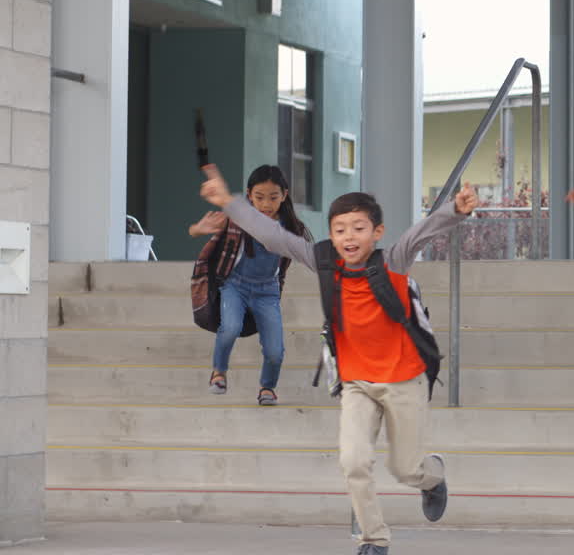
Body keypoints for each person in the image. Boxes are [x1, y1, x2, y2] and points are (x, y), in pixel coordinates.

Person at [198, 164, 477, 555]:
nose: (349, 236)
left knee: (405, 468)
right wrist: (229, 202)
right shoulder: (324, 262)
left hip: (403, 379)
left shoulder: (393, 260)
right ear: (331, 234)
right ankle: (374, 539)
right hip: (357, 382)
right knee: (353, 462)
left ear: (376, 232)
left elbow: (422, 232)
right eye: (340, 229)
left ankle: (433, 477)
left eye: (359, 228)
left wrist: (456, 209)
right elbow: (273, 236)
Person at [189, 164, 310, 406]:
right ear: (249, 195)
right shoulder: (238, 217)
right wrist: (198, 230)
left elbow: (305, 252)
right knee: (230, 328)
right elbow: (193, 231)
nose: (266, 204)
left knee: (275, 350)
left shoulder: (290, 227)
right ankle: (219, 371)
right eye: (259, 197)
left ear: (284, 195)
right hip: (235, 285)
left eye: (273, 197)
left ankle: (267, 387)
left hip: (267, 291)